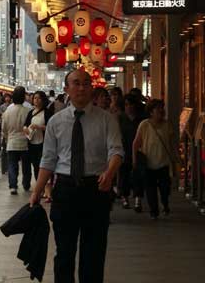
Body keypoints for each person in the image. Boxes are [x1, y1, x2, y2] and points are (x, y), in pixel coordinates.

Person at [30, 70, 123, 283]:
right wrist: (37, 192)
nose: (81, 88)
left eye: (86, 83)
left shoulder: (106, 120)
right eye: (76, 83)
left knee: (94, 253)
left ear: (92, 88)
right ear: (66, 89)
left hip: (96, 190)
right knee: (64, 252)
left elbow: (117, 151)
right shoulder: (55, 122)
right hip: (65, 191)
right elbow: (48, 160)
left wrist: (110, 173)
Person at [133, 99, 177, 219]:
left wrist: (175, 156)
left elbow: (172, 142)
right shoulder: (144, 125)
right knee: (150, 189)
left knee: (165, 188)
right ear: (151, 112)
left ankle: (165, 203)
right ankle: (154, 211)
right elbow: (136, 143)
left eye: (162, 108)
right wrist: (134, 159)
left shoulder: (167, 124)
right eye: (158, 109)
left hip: (163, 163)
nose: (162, 111)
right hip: (148, 163)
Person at [2, 87, 31, 194]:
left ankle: (13, 185)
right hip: (25, 142)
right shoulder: (28, 111)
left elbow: (4, 128)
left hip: (12, 141)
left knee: (12, 164)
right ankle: (26, 184)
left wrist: (6, 137)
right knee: (26, 165)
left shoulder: (8, 111)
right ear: (23, 97)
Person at [24, 90, 51, 186]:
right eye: (35, 98)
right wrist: (26, 130)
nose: (36, 100)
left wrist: (39, 127)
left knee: (42, 165)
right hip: (32, 143)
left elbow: (51, 128)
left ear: (43, 100)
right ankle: (39, 185)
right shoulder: (31, 112)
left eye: (39, 98)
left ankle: (45, 186)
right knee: (35, 165)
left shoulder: (47, 112)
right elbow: (25, 125)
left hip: (43, 143)